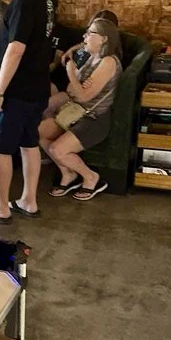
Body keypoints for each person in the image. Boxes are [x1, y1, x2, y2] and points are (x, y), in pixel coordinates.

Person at [0, 0, 58, 221]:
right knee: (29, 143)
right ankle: (29, 200)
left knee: (0, 147)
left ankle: (1, 206)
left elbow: (16, 48)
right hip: (37, 87)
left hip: (14, 90)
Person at [43, 15, 122, 202]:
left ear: (103, 39)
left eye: (90, 33)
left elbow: (84, 96)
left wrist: (71, 72)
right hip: (76, 112)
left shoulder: (109, 62)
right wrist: (75, 81)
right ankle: (67, 174)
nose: (85, 37)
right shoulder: (92, 56)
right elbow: (72, 90)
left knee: (57, 149)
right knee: (37, 132)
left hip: (94, 119)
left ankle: (91, 177)